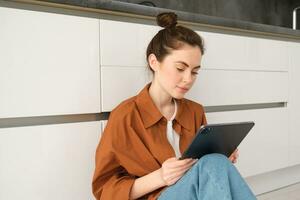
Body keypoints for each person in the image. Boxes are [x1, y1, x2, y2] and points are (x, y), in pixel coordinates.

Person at [92, 12, 256, 200]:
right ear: (154, 62)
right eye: (180, 68)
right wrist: (160, 177)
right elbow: (105, 191)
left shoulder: (195, 111)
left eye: (194, 72)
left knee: (216, 162)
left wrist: (221, 161)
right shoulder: (125, 116)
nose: (188, 79)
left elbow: (202, 172)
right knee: (214, 164)